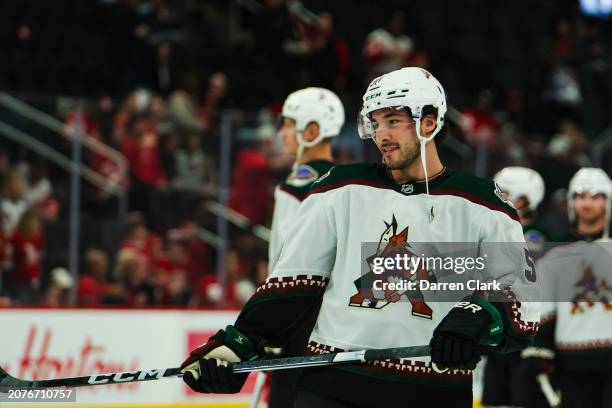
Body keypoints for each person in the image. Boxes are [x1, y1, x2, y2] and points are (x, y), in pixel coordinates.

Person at [179, 67, 539, 407]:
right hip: (332, 382)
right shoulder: (339, 188)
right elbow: (293, 282)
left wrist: (480, 315)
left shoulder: (483, 204)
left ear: (429, 123)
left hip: (432, 392)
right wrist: (238, 343)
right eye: (376, 123)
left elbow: (522, 297)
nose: (382, 135)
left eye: (394, 122)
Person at [267, 87, 344, 407]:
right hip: (334, 323)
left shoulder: (296, 185)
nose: (282, 132)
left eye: (288, 124)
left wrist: (270, 321)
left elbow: (283, 262)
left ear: (311, 130)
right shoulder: (344, 182)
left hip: (297, 320)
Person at [519, 167, 612, 408]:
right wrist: (539, 347)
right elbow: (544, 305)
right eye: (580, 196)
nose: (587, 203)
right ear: (572, 202)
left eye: (595, 196)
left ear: (608, 201)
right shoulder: (554, 250)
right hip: (570, 362)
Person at [482, 166, 547, 407]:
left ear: (524, 199)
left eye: (505, 193)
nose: (498, 198)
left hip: (526, 341)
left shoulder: (537, 237)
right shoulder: (494, 231)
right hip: (497, 337)